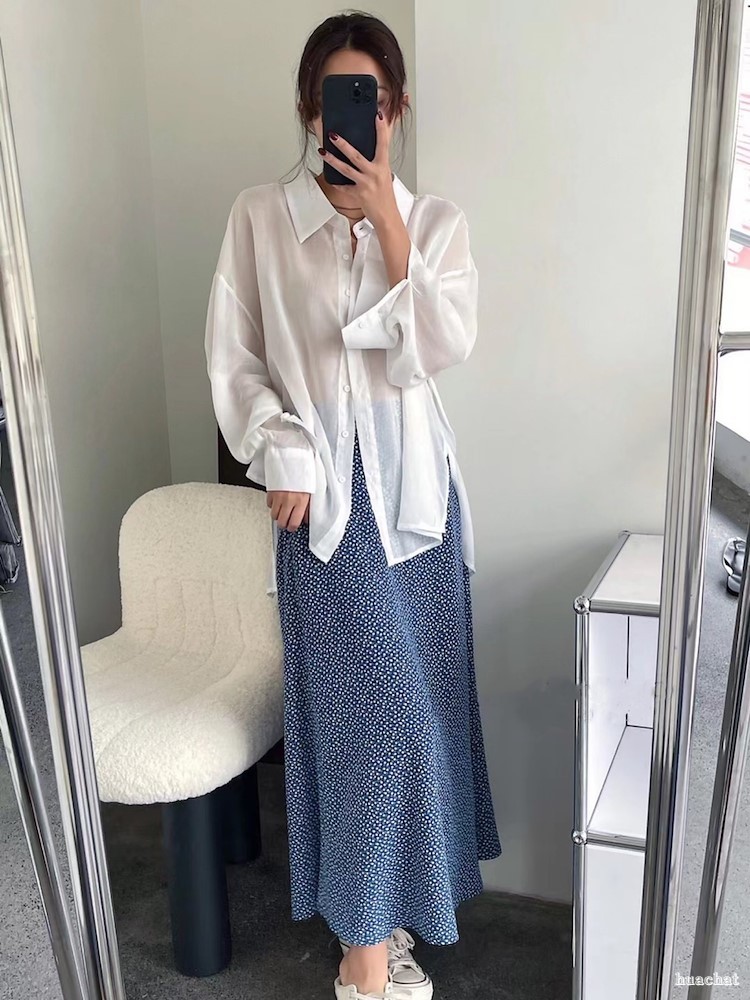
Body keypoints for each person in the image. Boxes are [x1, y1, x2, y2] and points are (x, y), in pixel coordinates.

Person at [204, 11, 502, 1000]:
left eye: (371, 98)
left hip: (418, 504)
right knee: (375, 723)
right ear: (309, 108)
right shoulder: (259, 217)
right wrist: (278, 448)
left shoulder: (435, 222)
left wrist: (385, 221)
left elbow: (441, 343)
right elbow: (235, 360)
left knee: (424, 717)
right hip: (324, 509)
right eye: (337, 96)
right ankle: (365, 965)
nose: (355, 115)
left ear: (395, 108)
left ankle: (382, 926)